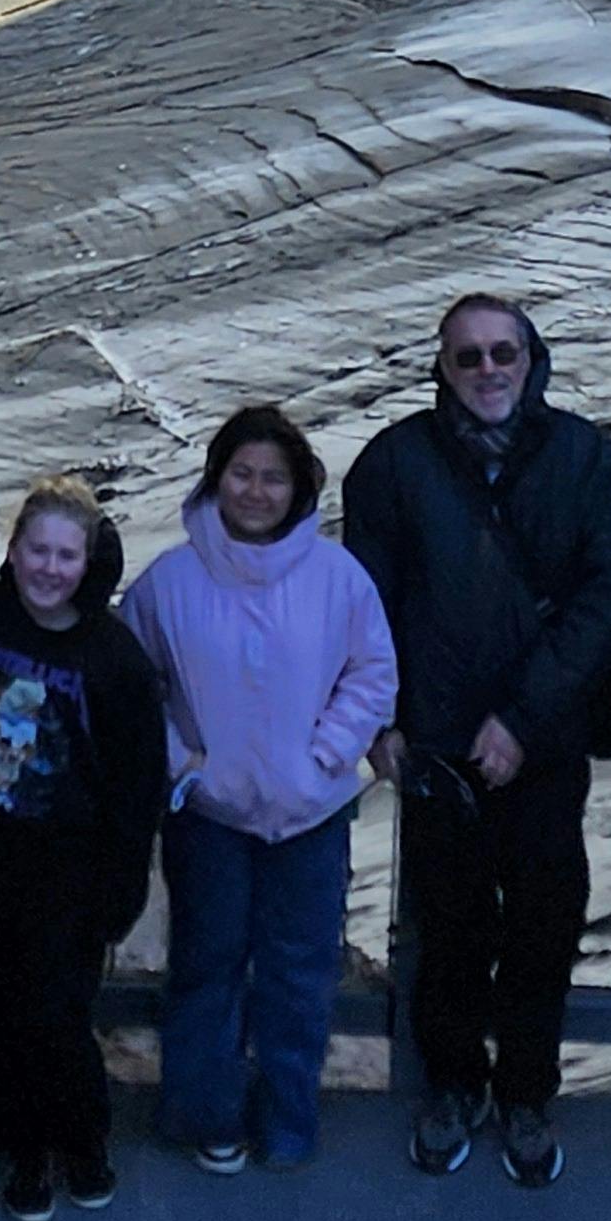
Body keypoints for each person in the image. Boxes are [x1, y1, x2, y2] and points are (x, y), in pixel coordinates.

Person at [343, 292, 611, 1188]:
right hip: (435, 745)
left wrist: (521, 718)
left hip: (542, 747)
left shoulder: (588, 459)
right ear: (442, 367)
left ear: (530, 356)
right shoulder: (392, 464)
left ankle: (527, 1094)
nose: (487, 371)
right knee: (451, 926)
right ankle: (454, 1086)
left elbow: (603, 599)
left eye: (502, 352)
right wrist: (381, 721)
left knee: (546, 924)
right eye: (467, 357)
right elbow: (367, 603)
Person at [120, 405, 400, 1173]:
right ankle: (204, 1117)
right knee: (207, 967)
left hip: (311, 815)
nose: (255, 490)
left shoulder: (339, 576)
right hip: (209, 814)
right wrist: (184, 766)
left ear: (300, 487)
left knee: (299, 973)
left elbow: (372, 674)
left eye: (273, 477)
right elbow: (133, 685)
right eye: (242, 473)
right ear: (217, 478)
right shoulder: (168, 581)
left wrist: (328, 755)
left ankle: (287, 1117)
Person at [0, 477, 166, 1221]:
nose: (49, 568)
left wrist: (122, 891)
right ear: (14, 548)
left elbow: (138, 785)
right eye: (38, 549)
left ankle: (82, 1142)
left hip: (72, 874)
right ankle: (22, 1149)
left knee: (58, 1014)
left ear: (88, 560)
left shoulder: (114, 659)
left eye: (66, 554)